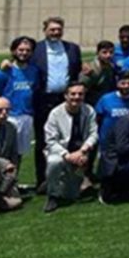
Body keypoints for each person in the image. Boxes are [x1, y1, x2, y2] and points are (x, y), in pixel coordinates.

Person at [29, 16, 83, 189]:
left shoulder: (72, 48)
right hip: (43, 99)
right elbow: (19, 63)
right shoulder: (35, 49)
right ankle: (43, 180)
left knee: (69, 138)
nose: (55, 32)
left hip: (66, 100)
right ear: (44, 30)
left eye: (58, 29)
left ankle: (69, 178)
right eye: (52, 29)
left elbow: (78, 70)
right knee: (43, 140)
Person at [43, 81, 98, 213]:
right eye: (73, 94)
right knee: (54, 162)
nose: (76, 97)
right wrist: (66, 155)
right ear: (65, 96)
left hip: (80, 153)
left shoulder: (89, 110)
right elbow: (50, 140)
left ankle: (56, 182)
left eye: (80, 94)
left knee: (71, 195)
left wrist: (83, 150)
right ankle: (52, 195)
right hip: (60, 152)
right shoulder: (55, 113)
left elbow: (93, 134)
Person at [0, 36, 38, 162]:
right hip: (8, 116)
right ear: (13, 51)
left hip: (26, 117)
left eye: (28, 50)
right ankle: (1, 180)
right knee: (4, 151)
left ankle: (13, 179)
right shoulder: (4, 72)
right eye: (21, 50)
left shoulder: (34, 71)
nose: (24, 53)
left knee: (19, 153)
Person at [95, 69, 129, 151]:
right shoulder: (106, 99)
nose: (126, 86)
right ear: (117, 83)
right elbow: (97, 119)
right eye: (123, 83)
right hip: (107, 143)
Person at [79, 40, 117, 106]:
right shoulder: (90, 69)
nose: (108, 55)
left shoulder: (111, 67)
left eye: (111, 52)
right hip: (91, 103)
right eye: (104, 52)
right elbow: (82, 89)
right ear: (97, 53)